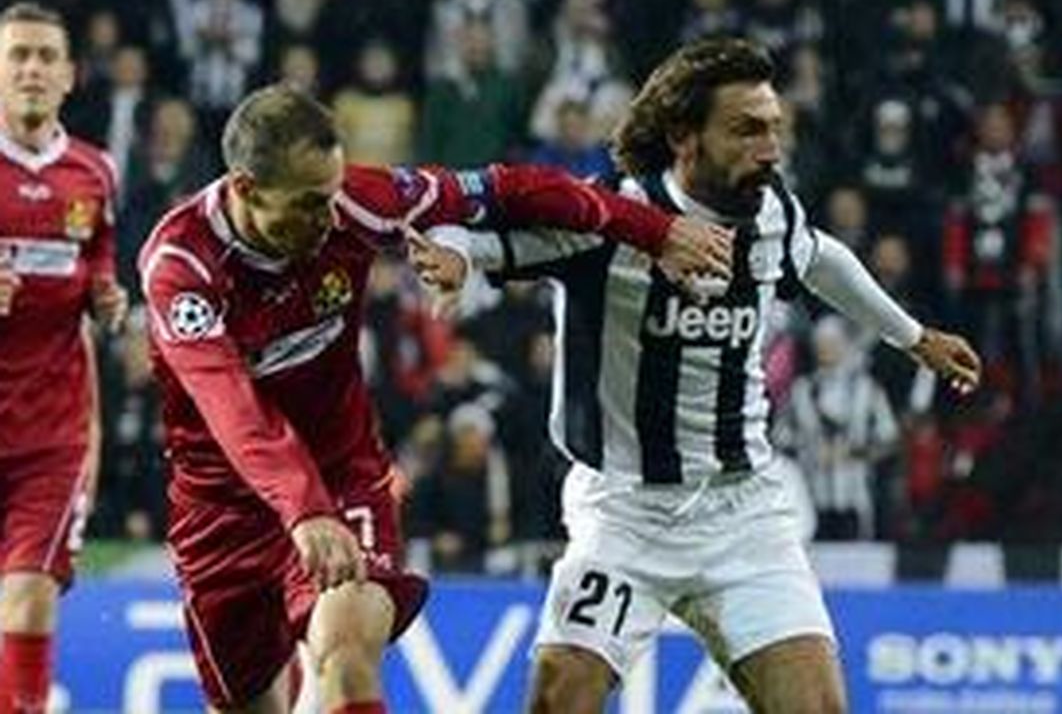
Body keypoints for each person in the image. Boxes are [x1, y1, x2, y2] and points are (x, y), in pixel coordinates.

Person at [136, 83, 730, 714]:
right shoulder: (182, 267)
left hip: (343, 478)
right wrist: (299, 509)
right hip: (222, 505)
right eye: (309, 204)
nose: (327, 217)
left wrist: (651, 229)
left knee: (345, 652)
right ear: (245, 188)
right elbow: (230, 400)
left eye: (333, 194)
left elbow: (509, 190)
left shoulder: (356, 204)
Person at [444, 38, 981, 713]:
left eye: (775, 128)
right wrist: (459, 254)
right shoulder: (608, 218)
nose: (770, 149)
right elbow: (489, 238)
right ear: (684, 137)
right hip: (625, 514)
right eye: (747, 130)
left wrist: (915, 338)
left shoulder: (773, 213)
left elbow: (818, 258)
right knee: (559, 699)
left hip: (742, 513)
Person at [0, 1, 127, 714]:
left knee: (27, 603)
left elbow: (99, 258)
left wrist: (107, 298)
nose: (31, 69)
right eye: (18, 54)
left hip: (51, 437)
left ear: (70, 75)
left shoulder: (94, 173)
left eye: (46, 56)